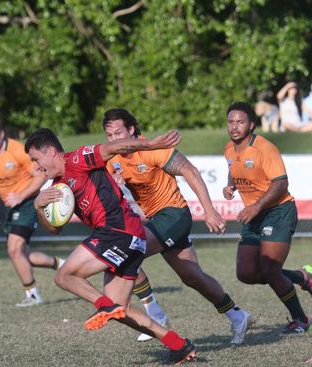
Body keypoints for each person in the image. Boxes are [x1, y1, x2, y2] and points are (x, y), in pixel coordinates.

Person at [26, 128, 197, 365]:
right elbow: (55, 229)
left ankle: (103, 306)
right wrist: (38, 207)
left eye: (36, 159)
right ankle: (178, 345)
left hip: (118, 230)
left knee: (64, 277)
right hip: (131, 238)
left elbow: (115, 148)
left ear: (52, 152)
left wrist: (152, 143)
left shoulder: (77, 158)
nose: (36, 166)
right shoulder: (57, 188)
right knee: (121, 310)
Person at [103, 108, 253, 345]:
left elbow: (189, 171)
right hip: (156, 221)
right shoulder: (113, 159)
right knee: (192, 276)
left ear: (131, 130)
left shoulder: (152, 149)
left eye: (118, 133)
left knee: (125, 251)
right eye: (109, 136)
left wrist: (210, 210)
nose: (114, 140)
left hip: (174, 215)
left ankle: (156, 315)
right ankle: (237, 315)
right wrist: (114, 183)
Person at [223, 102, 312, 333]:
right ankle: (301, 276)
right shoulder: (229, 148)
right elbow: (233, 167)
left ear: (252, 125)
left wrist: (256, 206)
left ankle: (301, 319)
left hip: (278, 211)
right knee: (246, 273)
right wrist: (230, 186)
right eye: (230, 122)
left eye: (240, 122)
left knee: (269, 268)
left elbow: (281, 183)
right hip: (254, 215)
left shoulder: (264, 148)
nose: (234, 126)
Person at [0, 117, 63, 307]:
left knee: (14, 249)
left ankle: (32, 295)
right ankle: (63, 265)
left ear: (1, 134)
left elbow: (40, 175)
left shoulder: (17, 150)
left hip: (28, 201)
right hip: (10, 205)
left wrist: (21, 196)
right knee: (23, 255)